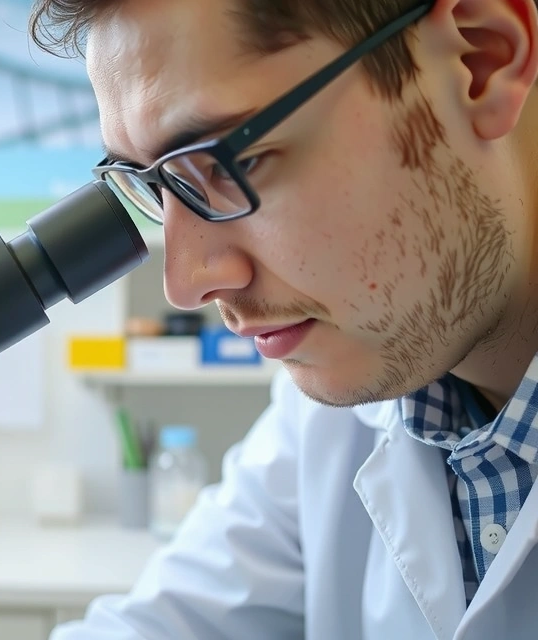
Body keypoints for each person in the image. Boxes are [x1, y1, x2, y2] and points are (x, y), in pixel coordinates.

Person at [28, 0, 538, 638]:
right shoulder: (330, 421)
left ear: (479, 61)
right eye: (160, 188)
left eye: (230, 163)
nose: (187, 283)